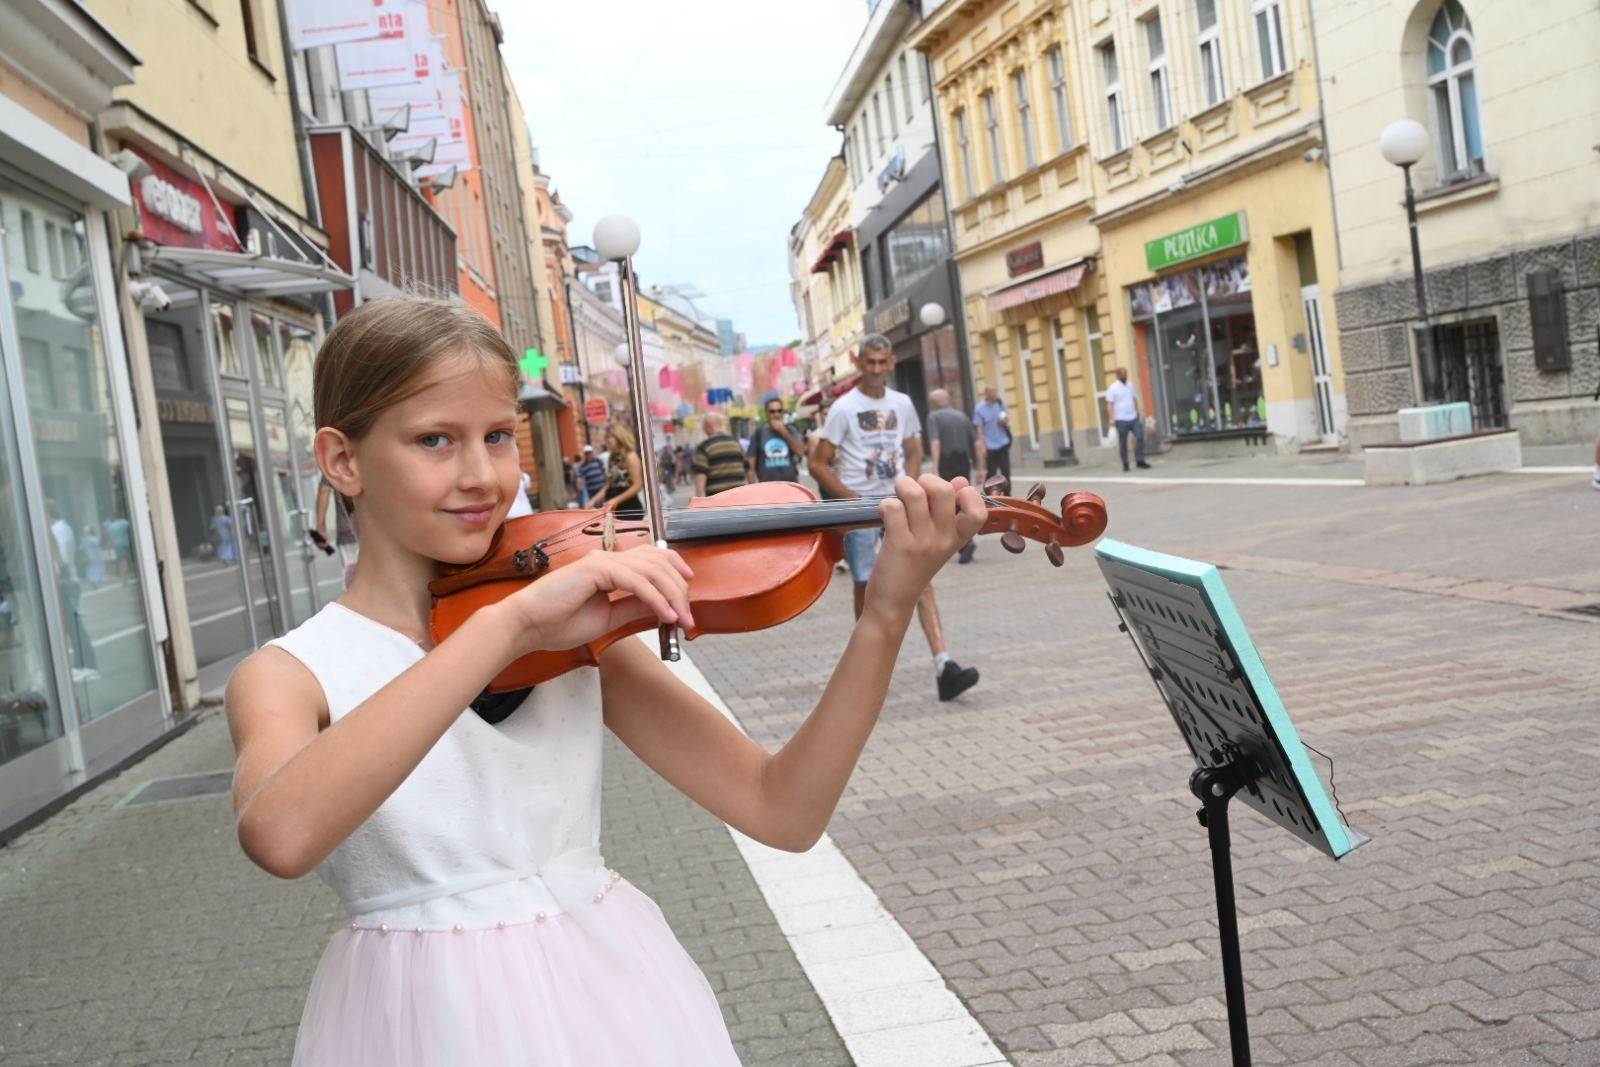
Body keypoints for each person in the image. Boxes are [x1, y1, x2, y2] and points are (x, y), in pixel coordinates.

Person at [224, 297, 983, 1064]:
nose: (482, 474)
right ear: (342, 459)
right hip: (417, 1027)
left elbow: (782, 809)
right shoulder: (291, 672)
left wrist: (884, 616)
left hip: (614, 1006)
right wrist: (508, 625)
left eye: (496, 436)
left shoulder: (577, 642)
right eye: (434, 441)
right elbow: (282, 833)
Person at [811, 335, 981, 703]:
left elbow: (913, 448)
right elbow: (818, 463)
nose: (875, 369)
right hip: (859, 511)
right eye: (869, 362)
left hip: (900, 505)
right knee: (864, 585)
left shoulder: (902, 403)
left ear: (890, 363)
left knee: (922, 581)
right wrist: (851, 499)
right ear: (858, 362)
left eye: (881, 363)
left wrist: (911, 489)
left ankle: (944, 665)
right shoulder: (843, 408)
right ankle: (864, 670)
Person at [926, 389, 982, 564]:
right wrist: (980, 467)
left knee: (948, 505)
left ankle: (964, 543)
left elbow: (935, 442)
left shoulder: (933, 417)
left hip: (946, 462)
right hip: (963, 461)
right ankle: (966, 541)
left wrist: (935, 468)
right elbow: (976, 442)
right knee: (964, 500)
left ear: (934, 402)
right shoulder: (962, 416)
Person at [589, 424, 645, 519]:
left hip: (629, 508)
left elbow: (638, 485)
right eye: (605, 437)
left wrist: (615, 500)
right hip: (614, 509)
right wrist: (593, 501)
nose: (606, 441)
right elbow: (610, 485)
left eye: (609, 437)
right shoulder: (613, 457)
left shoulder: (631, 456)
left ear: (618, 437)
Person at [747, 398, 806, 483]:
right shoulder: (759, 433)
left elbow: (800, 452)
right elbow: (750, 466)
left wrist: (784, 433)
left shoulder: (791, 430)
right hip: (767, 488)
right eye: (772, 411)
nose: (776, 414)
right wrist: (752, 489)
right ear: (766, 413)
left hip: (790, 487)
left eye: (779, 411)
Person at [315, 477, 359, 586]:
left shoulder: (337, 461)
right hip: (375, 531)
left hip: (349, 531)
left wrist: (320, 528)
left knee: (353, 582)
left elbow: (324, 490)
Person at [1106, 366, 1151, 471]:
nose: (1125, 376)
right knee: (1123, 442)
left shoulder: (1130, 385)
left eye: (1126, 374)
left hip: (1133, 416)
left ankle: (1140, 460)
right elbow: (1110, 405)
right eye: (1123, 374)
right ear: (1117, 376)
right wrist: (1111, 419)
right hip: (1121, 419)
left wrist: (1137, 411)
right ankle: (1125, 464)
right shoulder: (1113, 388)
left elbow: (1134, 398)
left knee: (1140, 437)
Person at [692, 413, 749, 497]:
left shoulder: (704, 446)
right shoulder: (736, 443)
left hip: (717, 498)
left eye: (703, 427)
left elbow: (701, 474)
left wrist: (697, 498)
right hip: (739, 496)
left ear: (708, 426)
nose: (704, 430)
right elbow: (748, 468)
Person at [973, 384, 1012, 491]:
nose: (995, 394)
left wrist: (1004, 421)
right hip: (989, 445)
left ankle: (1008, 495)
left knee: (1006, 471)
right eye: (992, 392)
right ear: (986, 393)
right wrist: (982, 446)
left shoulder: (1000, 403)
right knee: (991, 473)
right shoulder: (980, 408)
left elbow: (1006, 419)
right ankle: (989, 495)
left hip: (1002, 442)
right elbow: (979, 429)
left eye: (995, 391)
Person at [105, 515, 133, 580]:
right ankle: (126, 574)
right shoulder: (126, 522)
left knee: (121, 561)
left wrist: (109, 546)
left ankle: (124, 576)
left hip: (117, 544)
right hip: (127, 543)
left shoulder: (112, 526)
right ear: (122, 516)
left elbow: (111, 537)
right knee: (127, 560)